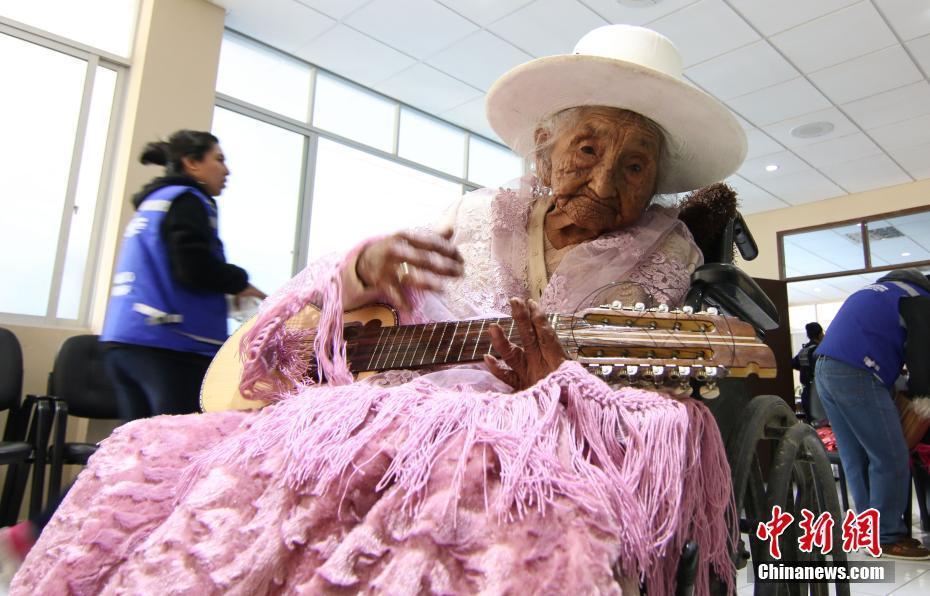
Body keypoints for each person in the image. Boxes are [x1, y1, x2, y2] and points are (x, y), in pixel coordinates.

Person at [13, 25, 747, 594]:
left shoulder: (664, 247)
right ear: (545, 150)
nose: (604, 179)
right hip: (388, 408)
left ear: (655, 182)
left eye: (633, 165)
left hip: (529, 446)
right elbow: (330, 310)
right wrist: (353, 280)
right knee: (161, 462)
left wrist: (567, 394)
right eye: (587, 149)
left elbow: (651, 402)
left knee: (488, 516)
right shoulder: (472, 211)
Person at [100, 130, 266, 420]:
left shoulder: (155, 202)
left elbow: (169, 269)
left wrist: (227, 295)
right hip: (167, 346)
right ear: (192, 163)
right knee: (179, 451)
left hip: (125, 341)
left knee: (139, 452)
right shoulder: (188, 201)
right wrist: (239, 282)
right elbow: (193, 267)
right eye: (219, 159)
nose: (226, 170)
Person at [815, 268, 930, 560]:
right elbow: (922, 354)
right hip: (857, 373)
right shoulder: (918, 296)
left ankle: (869, 533)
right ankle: (888, 536)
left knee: (856, 458)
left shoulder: (873, 293)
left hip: (825, 371)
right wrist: (922, 396)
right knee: (890, 456)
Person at [791, 322, 824, 423]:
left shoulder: (803, 351)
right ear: (819, 334)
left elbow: (793, 364)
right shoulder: (820, 351)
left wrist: (804, 369)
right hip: (819, 393)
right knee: (824, 428)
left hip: (807, 393)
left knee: (812, 425)